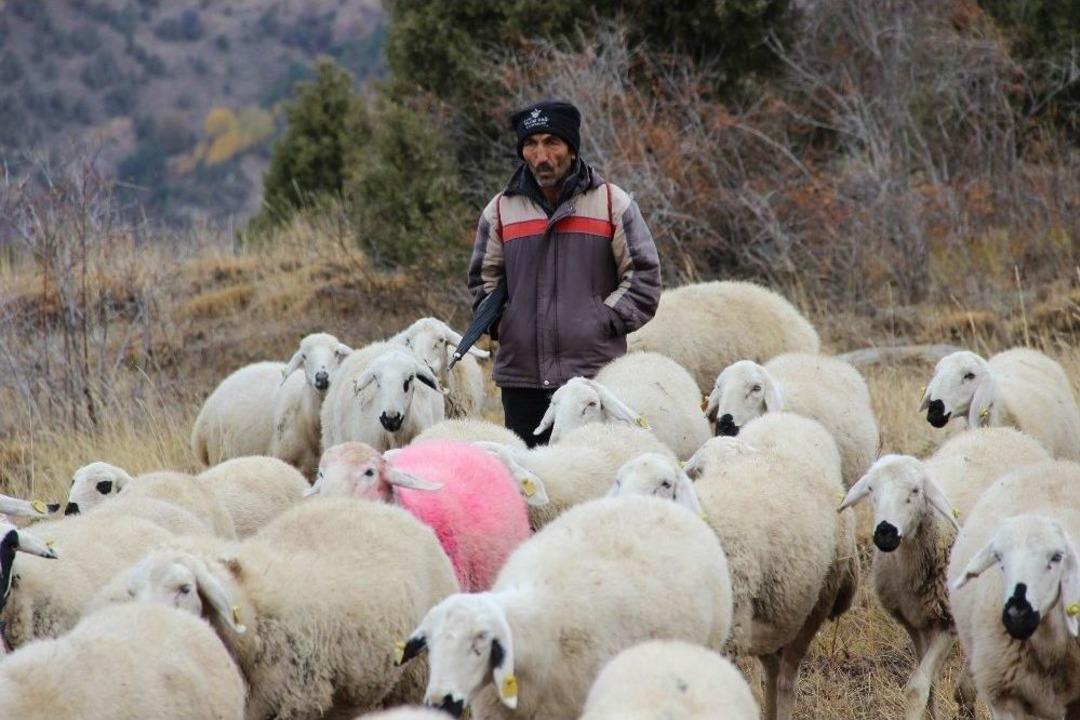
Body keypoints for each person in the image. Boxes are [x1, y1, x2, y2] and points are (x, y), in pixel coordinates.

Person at [467, 99, 661, 447]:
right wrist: (506, 324)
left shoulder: (611, 204)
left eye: (551, 142)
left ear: (571, 148)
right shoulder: (500, 210)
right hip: (522, 381)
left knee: (592, 473)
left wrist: (600, 321)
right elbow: (483, 281)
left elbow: (643, 278)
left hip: (595, 380)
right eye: (531, 144)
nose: (541, 156)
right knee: (529, 474)